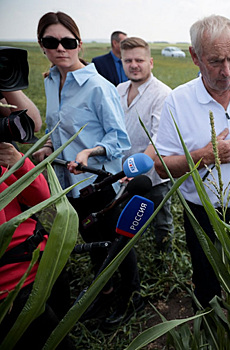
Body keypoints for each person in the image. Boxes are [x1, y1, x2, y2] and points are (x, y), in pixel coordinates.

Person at [154, 15, 230, 308]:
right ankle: (210, 327)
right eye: (215, 61)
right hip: (202, 213)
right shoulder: (177, 101)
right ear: (194, 56)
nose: (227, 71)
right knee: (206, 281)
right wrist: (207, 156)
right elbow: (161, 165)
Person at [31, 12, 140, 329]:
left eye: (67, 41)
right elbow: (57, 129)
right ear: (42, 45)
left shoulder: (98, 87)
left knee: (115, 242)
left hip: (99, 180)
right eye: (52, 42)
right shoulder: (51, 81)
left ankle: (129, 298)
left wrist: (92, 151)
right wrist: (48, 148)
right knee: (91, 237)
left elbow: (119, 138)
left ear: (78, 43)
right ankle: (104, 293)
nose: (60, 48)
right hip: (68, 182)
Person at [0, 143, 74, 349]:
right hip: (13, 291)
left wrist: (20, 165)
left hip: (45, 263)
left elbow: (44, 200)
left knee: (61, 325)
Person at [117, 37, 174, 252]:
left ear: (150, 62)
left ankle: (164, 263)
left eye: (139, 60)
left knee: (161, 220)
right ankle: (134, 257)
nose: (133, 65)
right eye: (128, 60)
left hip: (153, 175)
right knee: (129, 219)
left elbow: (159, 138)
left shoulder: (163, 94)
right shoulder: (119, 90)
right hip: (124, 174)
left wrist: (136, 168)